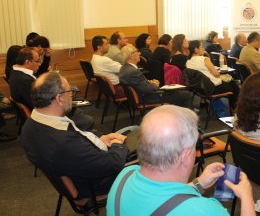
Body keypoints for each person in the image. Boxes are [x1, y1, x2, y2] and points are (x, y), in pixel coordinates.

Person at [106, 105, 255, 216]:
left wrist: (199, 184)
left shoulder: (125, 175)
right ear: (185, 155)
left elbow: (163, 198)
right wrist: (247, 197)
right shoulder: (204, 211)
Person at [22, 72, 128, 206]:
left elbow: (78, 136)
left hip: (81, 170)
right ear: (59, 98)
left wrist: (101, 138)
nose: (72, 94)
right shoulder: (63, 142)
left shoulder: (31, 125)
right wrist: (118, 144)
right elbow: (113, 164)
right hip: (96, 183)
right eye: (70, 90)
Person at [10, 48, 95, 131]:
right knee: (87, 120)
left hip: (42, 111)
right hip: (46, 115)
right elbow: (39, 104)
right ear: (27, 62)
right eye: (37, 61)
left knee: (74, 105)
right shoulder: (24, 80)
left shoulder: (16, 74)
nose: (39, 64)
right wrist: (61, 99)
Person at [119, 45, 192, 109]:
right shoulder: (132, 72)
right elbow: (147, 89)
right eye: (137, 52)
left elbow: (139, 84)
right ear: (131, 55)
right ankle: (189, 120)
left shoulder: (124, 68)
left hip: (144, 95)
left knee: (178, 93)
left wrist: (150, 82)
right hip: (150, 97)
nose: (140, 53)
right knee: (186, 94)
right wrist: (155, 84)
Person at [186, 40, 240, 110]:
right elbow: (216, 74)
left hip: (200, 89)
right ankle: (237, 108)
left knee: (231, 85)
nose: (203, 49)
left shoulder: (188, 62)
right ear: (196, 49)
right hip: (212, 88)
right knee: (233, 85)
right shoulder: (204, 59)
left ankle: (236, 108)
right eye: (201, 47)